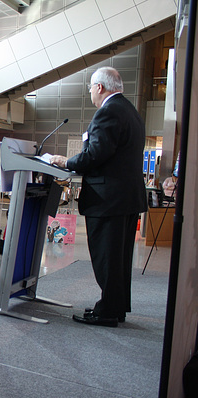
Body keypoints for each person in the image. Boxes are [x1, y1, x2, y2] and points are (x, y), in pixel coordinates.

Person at [50, 67, 147, 327]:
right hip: (125, 199)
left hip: (108, 201)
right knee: (119, 259)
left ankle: (107, 311)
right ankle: (115, 308)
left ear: (100, 87)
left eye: (91, 87)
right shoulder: (130, 111)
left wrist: (66, 161)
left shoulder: (108, 111)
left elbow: (95, 155)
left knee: (106, 257)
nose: (90, 92)